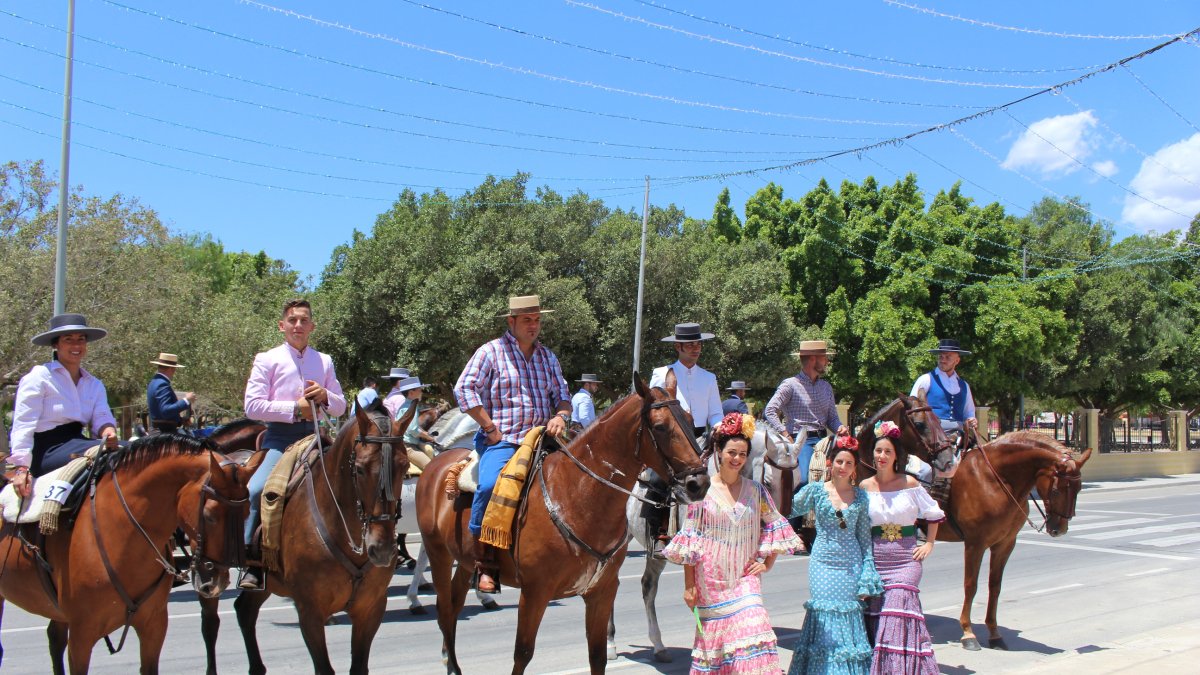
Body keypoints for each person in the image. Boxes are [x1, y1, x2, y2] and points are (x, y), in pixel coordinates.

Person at [663, 412, 800, 674]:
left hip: (744, 577)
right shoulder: (700, 492)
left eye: (742, 454)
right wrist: (689, 586)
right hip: (710, 581)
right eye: (732, 452)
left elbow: (775, 523)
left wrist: (768, 562)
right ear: (719, 451)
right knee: (720, 651)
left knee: (755, 625)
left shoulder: (756, 490)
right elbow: (691, 541)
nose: (737, 459)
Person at [454, 295, 570, 593]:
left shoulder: (548, 357)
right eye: (527, 320)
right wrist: (488, 426)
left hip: (543, 440)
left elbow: (563, 395)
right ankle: (484, 562)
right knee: (491, 485)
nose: (534, 326)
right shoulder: (490, 352)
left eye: (537, 320)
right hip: (504, 440)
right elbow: (464, 389)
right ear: (512, 322)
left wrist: (561, 415)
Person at [240, 298, 346, 590]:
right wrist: (295, 408)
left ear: (312, 326)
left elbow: (340, 407)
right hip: (280, 438)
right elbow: (252, 406)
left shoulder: (323, 361)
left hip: (316, 436)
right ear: (282, 325)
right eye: (292, 320)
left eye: (303, 320)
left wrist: (325, 395)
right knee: (258, 489)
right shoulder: (267, 359)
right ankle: (252, 561)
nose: (298, 325)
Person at [788, 438, 882, 675]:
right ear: (830, 463)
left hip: (850, 563)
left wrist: (868, 569)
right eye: (839, 461)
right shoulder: (816, 490)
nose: (843, 466)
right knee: (823, 611)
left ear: (854, 468)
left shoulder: (860, 497)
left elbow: (863, 537)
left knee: (848, 613)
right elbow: (787, 509)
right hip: (822, 562)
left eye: (848, 463)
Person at [859, 421, 945, 675]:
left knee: (896, 610)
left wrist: (929, 543)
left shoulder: (909, 483)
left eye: (887, 451)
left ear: (896, 455)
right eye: (878, 451)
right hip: (876, 559)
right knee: (878, 615)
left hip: (905, 560)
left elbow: (933, 513)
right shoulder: (864, 487)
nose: (882, 456)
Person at [7, 314, 120, 498]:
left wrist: (108, 431)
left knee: (134, 450)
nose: (76, 345)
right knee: (104, 457)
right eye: (69, 340)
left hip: (78, 442)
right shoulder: (39, 378)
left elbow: (102, 416)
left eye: (81, 340)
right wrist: (21, 468)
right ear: (55, 345)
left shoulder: (94, 384)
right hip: (46, 451)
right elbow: (24, 424)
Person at [764, 340, 849, 498]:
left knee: (838, 479)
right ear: (812, 359)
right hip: (800, 440)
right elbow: (769, 410)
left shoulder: (826, 387)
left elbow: (832, 418)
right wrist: (784, 432)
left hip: (824, 441)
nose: (827, 362)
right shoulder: (790, 385)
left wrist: (840, 428)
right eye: (824, 358)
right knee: (802, 481)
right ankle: (792, 520)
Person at [910, 338, 977, 483]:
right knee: (926, 471)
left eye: (948, 357)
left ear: (957, 360)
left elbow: (969, 412)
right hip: (932, 437)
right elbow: (912, 408)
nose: (943, 359)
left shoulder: (964, 386)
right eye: (941, 356)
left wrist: (972, 419)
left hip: (958, 436)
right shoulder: (926, 380)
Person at [650, 322, 723, 438]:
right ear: (678, 347)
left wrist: (718, 425)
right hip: (672, 438)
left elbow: (716, 412)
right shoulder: (661, 374)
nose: (696, 349)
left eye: (699, 344)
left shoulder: (709, 378)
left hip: (702, 439)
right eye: (690, 345)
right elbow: (653, 409)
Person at [146, 352, 196, 434]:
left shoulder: (154, 382)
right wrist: (186, 400)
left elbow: (161, 413)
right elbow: (166, 410)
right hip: (165, 433)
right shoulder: (162, 384)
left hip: (159, 431)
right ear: (171, 369)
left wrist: (180, 420)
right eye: (175, 369)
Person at [395, 376, 436, 471]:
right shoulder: (410, 408)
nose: (422, 392)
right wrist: (429, 437)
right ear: (411, 393)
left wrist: (424, 433)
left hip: (411, 443)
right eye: (419, 390)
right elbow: (413, 430)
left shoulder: (407, 405)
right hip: (408, 446)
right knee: (431, 467)